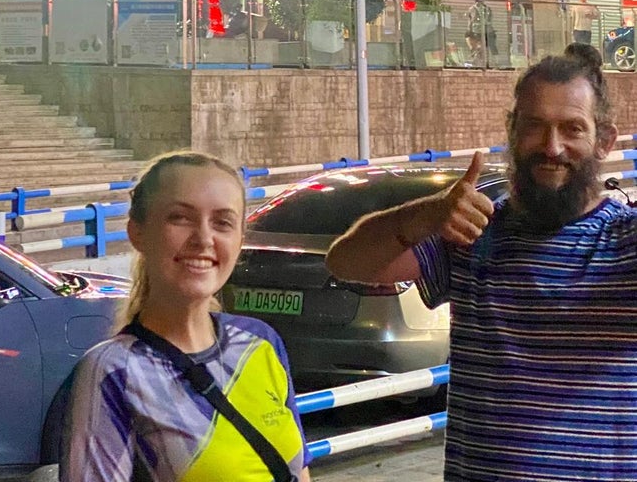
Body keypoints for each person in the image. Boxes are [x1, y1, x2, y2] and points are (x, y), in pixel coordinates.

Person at [324, 54, 637, 481]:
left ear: (605, 141)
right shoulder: (471, 233)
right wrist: (429, 214)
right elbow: (346, 261)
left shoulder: (624, 241)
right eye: (535, 126)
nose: (552, 147)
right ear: (512, 131)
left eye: (572, 129)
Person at [61, 150, 312, 482]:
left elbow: (299, 472)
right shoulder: (114, 371)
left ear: (239, 241)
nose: (204, 239)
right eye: (180, 218)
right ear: (137, 233)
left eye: (222, 222)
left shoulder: (261, 342)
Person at [465, 0, 494, 66]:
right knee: (476, 48)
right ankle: (477, 60)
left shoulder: (485, 9)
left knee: (480, 47)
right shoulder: (474, 9)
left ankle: (481, 61)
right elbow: (470, 20)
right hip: (479, 31)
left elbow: (489, 20)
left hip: (481, 31)